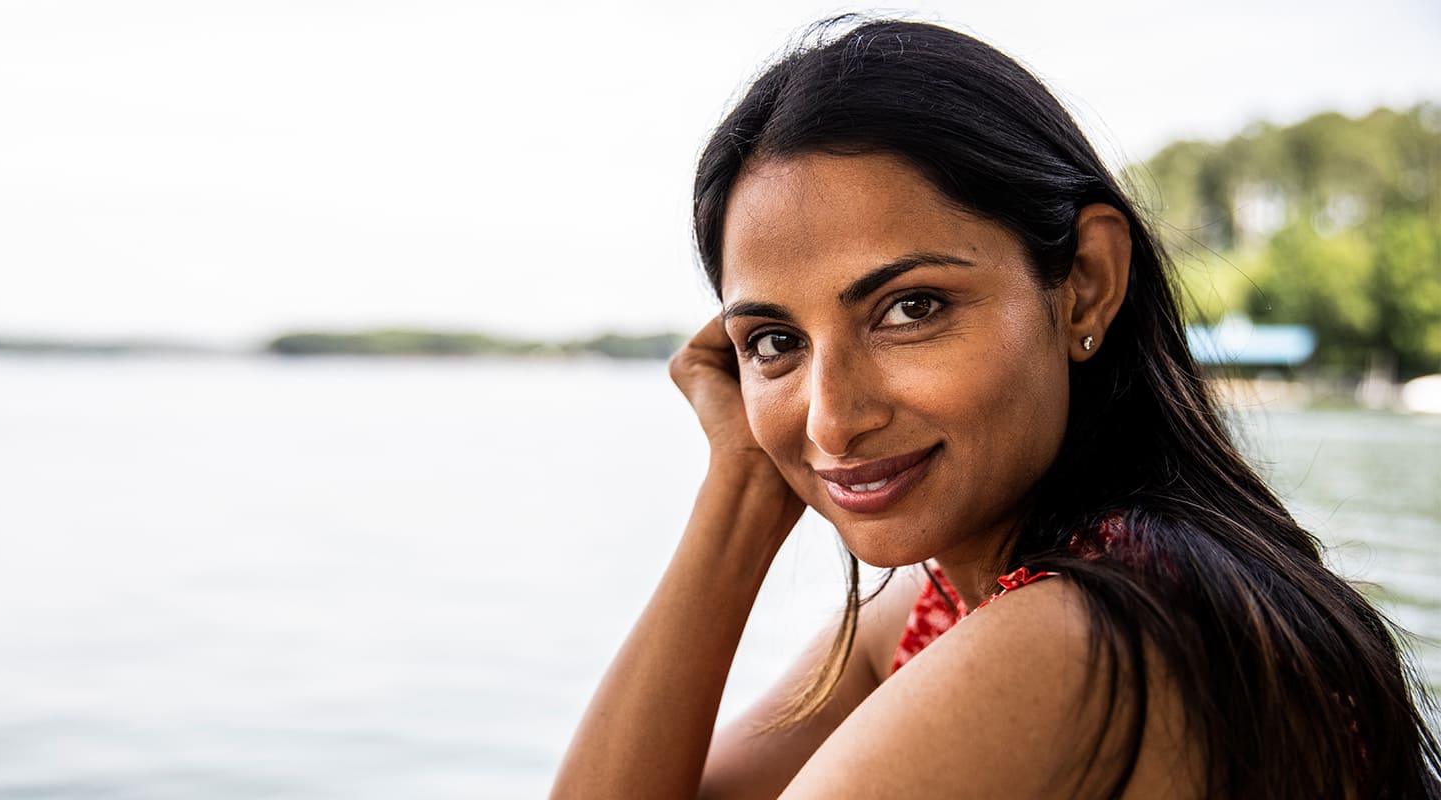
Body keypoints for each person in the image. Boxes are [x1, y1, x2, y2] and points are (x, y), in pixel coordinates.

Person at [550, 16, 1441, 800]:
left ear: (1085, 285)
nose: (830, 419)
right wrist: (744, 481)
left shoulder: (1082, 641)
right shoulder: (950, 608)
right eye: (776, 341)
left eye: (911, 308)